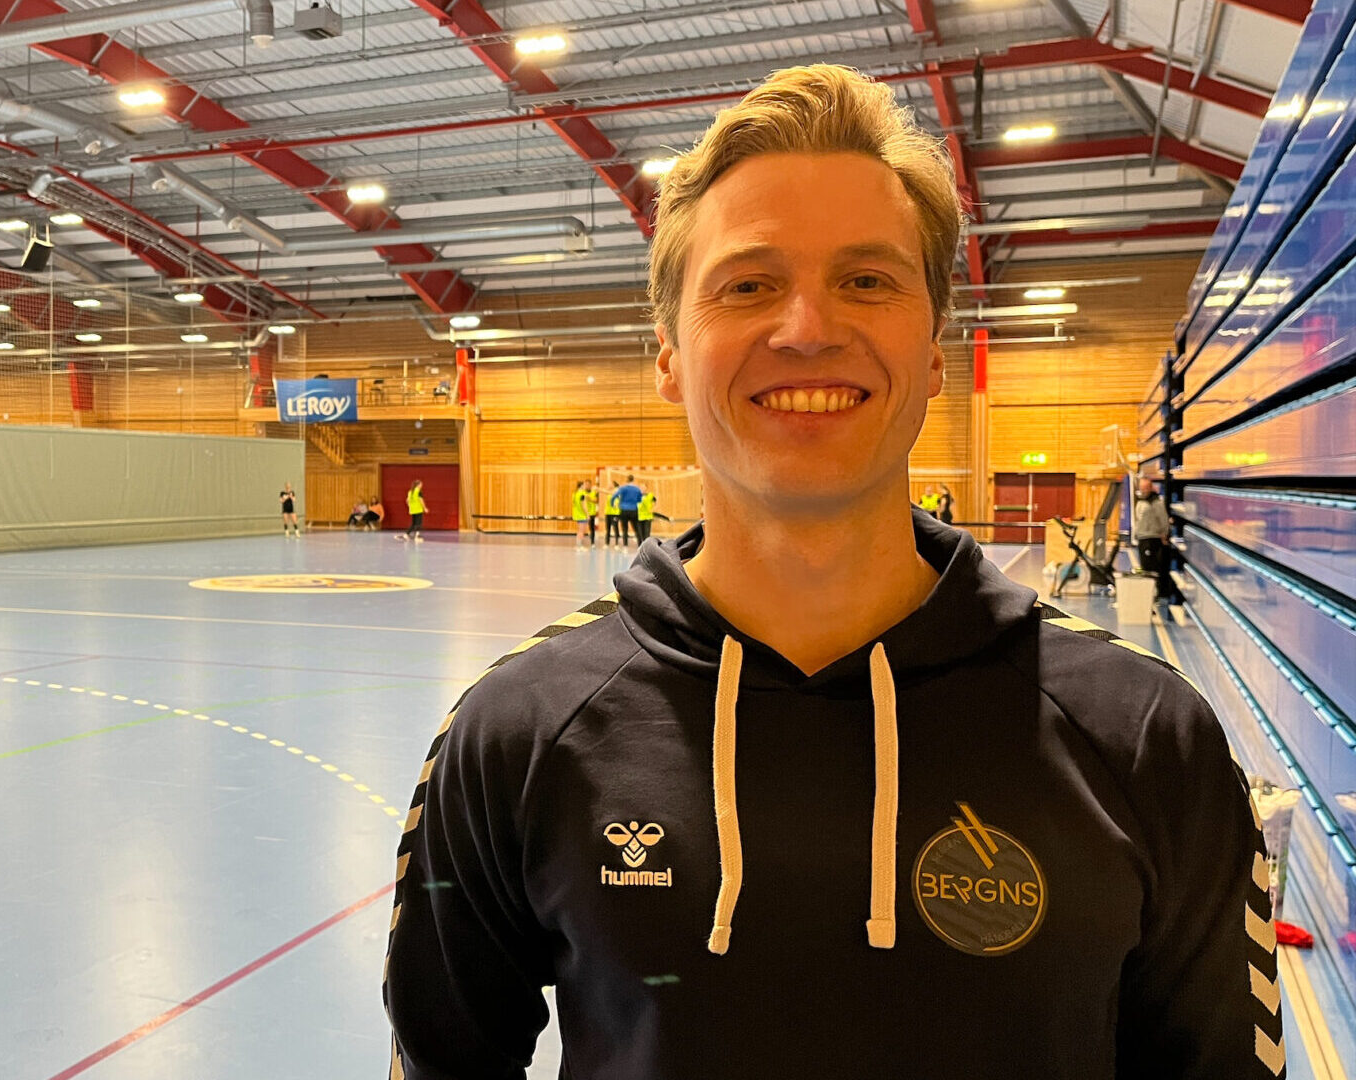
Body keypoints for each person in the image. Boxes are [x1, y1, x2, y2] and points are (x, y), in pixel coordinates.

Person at [385, 63, 1278, 1078]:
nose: (807, 329)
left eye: (867, 280)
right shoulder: (516, 733)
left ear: (934, 349)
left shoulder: (1148, 741)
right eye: (749, 284)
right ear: (669, 354)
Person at [1133, 476, 1182, 604]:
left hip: (1152, 538)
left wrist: (1164, 534)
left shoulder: (1156, 503)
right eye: (1141, 487)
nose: (1143, 490)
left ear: (1150, 488)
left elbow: (1163, 520)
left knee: (1152, 568)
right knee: (1145, 567)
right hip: (1142, 538)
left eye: (1145, 488)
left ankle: (1156, 592)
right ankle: (1148, 592)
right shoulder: (1141, 501)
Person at [612, 473, 644, 546]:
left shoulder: (623, 488)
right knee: (637, 529)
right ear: (633, 480)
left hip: (624, 510)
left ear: (627, 480)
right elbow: (639, 500)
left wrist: (612, 504)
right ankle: (640, 545)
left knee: (624, 529)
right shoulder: (637, 489)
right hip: (634, 510)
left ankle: (625, 546)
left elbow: (614, 496)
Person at [571, 480, 593, 549]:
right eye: (584, 485)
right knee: (581, 531)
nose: (585, 486)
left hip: (577, 515)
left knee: (580, 531)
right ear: (581, 486)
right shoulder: (582, 494)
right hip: (582, 515)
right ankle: (579, 546)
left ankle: (578, 546)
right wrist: (587, 514)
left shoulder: (575, 494)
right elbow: (584, 505)